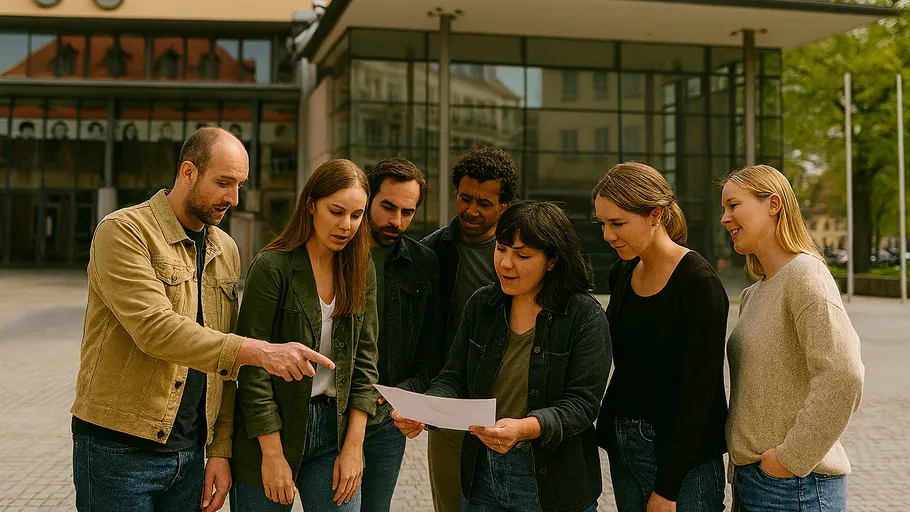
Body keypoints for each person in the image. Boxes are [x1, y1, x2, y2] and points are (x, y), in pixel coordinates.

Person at [71, 127, 334, 512]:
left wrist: (220, 451)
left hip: (190, 455)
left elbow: (225, 369)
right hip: (118, 449)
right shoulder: (124, 232)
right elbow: (156, 330)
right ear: (188, 172)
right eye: (224, 183)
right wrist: (259, 351)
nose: (234, 198)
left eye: (240, 185)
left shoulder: (224, 248)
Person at [394, 200, 611, 512]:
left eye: (522, 255)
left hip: (554, 482)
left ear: (552, 260)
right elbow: (454, 377)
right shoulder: (483, 305)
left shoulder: (584, 315)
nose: (506, 263)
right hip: (483, 476)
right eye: (501, 249)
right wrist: (426, 409)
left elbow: (583, 403)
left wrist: (526, 427)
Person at [229, 158, 380, 512]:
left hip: (335, 429)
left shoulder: (361, 268)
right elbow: (251, 367)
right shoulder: (272, 266)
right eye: (336, 211)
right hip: (270, 427)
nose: (346, 225)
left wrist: (353, 448)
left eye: (356, 215)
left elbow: (366, 362)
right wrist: (272, 454)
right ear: (311, 204)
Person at [720, 165, 864, 511]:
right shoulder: (755, 293)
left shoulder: (805, 275)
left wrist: (789, 459)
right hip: (753, 480)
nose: (725, 219)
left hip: (795, 486)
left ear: (773, 204)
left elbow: (844, 376)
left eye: (733, 205)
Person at [592, 162, 729, 512]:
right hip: (625, 448)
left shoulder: (699, 284)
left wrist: (667, 488)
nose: (608, 235)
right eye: (603, 223)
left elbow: (696, 395)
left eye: (618, 223)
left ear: (655, 215)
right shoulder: (622, 270)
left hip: (684, 466)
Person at [419, 145, 519, 512]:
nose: (471, 210)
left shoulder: (522, 255)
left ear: (505, 205)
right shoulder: (431, 253)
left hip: (511, 406)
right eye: (465, 198)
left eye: (484, 203)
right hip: (451, 401)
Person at [360, 157, 443, 512]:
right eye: (388, 207)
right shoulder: (335, 251)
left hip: (386, 418)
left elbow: (431, 346)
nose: (396, 221)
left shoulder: (423, 263)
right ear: (367, 199)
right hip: (329, 408)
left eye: (407, 212)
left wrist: (408, 392)